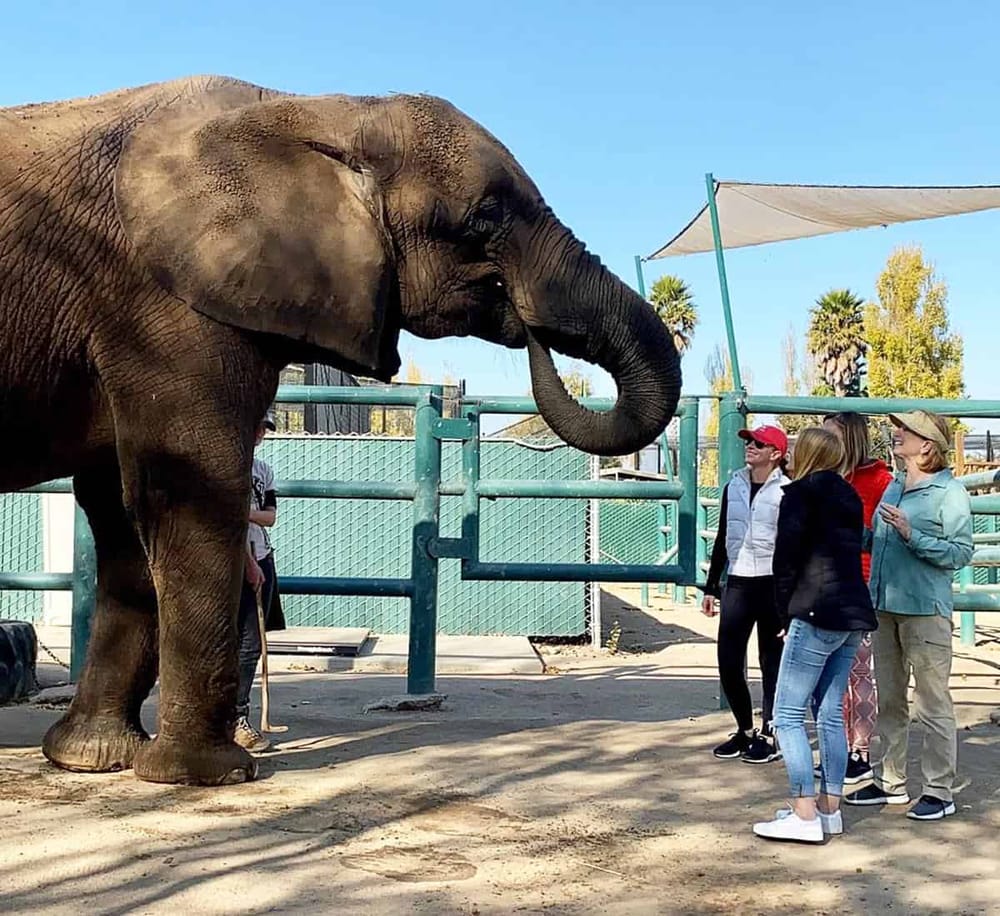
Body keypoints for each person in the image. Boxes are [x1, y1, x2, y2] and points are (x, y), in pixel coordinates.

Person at [844, 410, 973, 821]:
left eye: (906, 431)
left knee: (932, 702)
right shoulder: (894, 486)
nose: (896, 434)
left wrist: (911, 535)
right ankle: (890, 781)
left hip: (924, 612)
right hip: (884, 607)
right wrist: (851, 532)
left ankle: (939, 790)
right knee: (891, 700)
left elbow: (960, 553)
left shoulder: (949, 493)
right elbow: (877, 542)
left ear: (927, 445)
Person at [752, 427, 878, 843]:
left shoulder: (799, 494)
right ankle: (829, 809)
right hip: (852, 612)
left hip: (815, 610)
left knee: (786, 714)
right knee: (828, 714)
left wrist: (783, 613)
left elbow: (785, 560)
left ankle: (804, 813)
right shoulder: (847, 495)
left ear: (802, 454)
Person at [702, 424, 790, 764]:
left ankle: (770, 732)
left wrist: (789, 599)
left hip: (771, 585)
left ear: (776, 454)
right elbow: (724, 535)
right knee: (728, 660)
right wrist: (712, 586)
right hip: (738, 581)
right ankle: (744, 729)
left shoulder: (787, 491)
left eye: (759, 443)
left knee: (771, 662)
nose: (750, 447)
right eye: (748, 442)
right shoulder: (734, 485)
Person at [822, 412, 893, 784]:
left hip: (862, 584)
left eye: (831, 434)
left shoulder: (881, 481)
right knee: (835, 672)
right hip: (830, 584)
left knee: (860, 671)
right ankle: (839, 745)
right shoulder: (831, 479)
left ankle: (861, 751)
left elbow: (883, 536)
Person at [234, 410, 283, 752]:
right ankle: (232, 717)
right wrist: (248, 562)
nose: (260, 433)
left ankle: (240, 717)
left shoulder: (263, 470)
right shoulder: (228, 464)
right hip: (238, 558)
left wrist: (244, 513)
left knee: (252, 643)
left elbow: (270, 517)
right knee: (235, 641)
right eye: (256, 425)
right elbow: (225, 519)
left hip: (262, 554)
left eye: (263, 428)